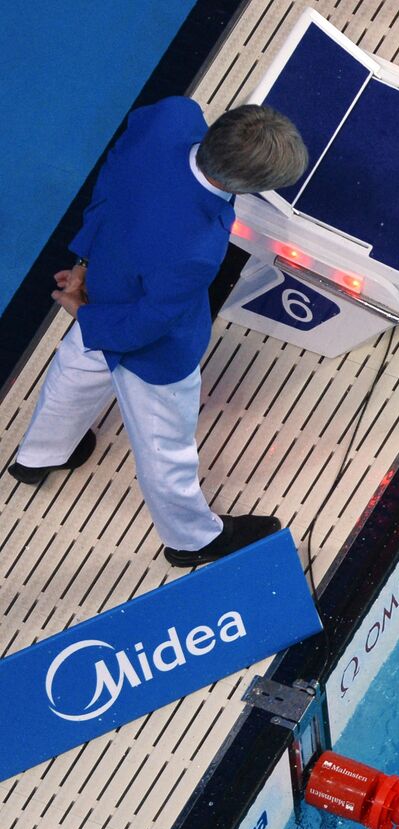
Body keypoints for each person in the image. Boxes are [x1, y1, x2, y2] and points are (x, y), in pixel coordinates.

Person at [6, 97, 307, 567]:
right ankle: (192, 540)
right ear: (240, 187)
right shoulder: (197, 245)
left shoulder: (172, 117)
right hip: (150, 348)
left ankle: (40, 455)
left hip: (103, 285)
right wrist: (85, 316)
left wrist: (84, 263)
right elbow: (148, 323)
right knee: (164, 446)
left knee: (75, 371)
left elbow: (112, 180)